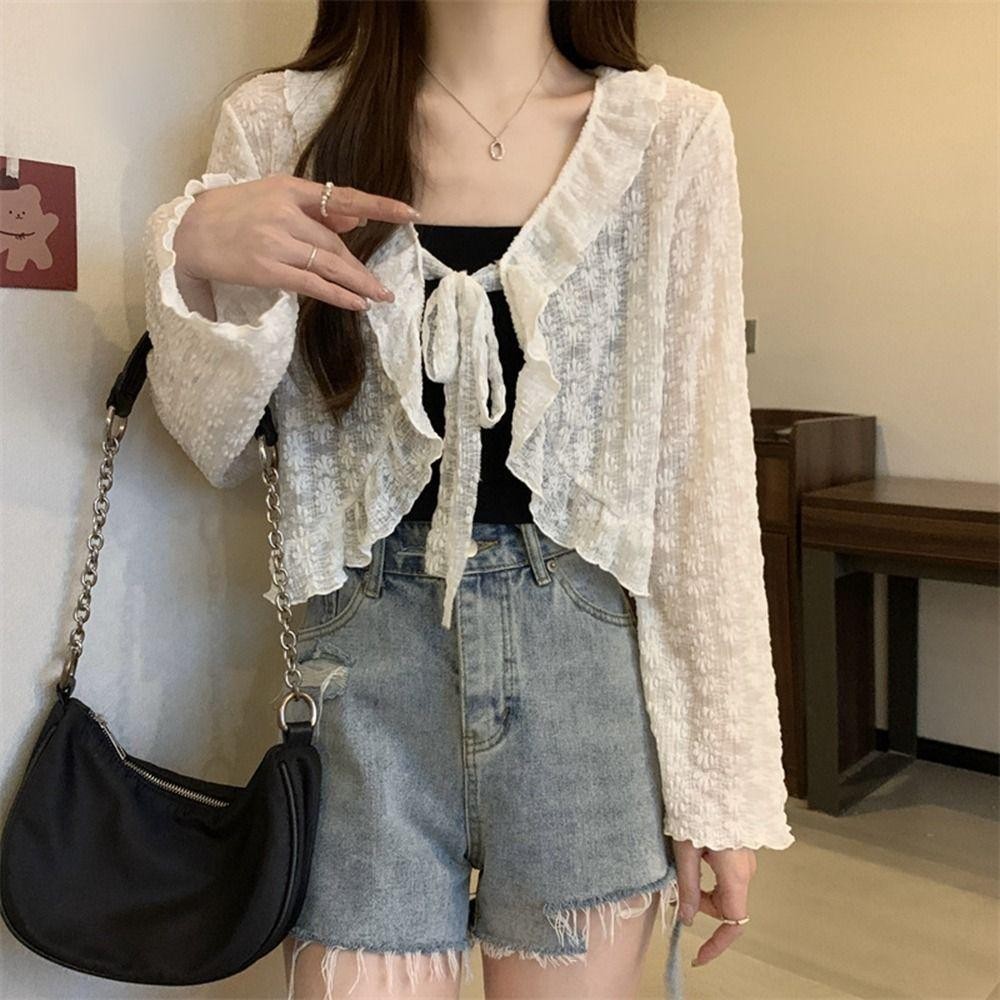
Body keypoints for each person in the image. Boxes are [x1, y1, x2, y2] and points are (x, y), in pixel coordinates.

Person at [142, 1, 796, 997]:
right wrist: (188, 247)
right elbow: (215, 444)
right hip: (361, 678)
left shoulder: (671, 134)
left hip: (587, 678)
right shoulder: (278, 124)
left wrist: (721, 781)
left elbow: (700, 479)